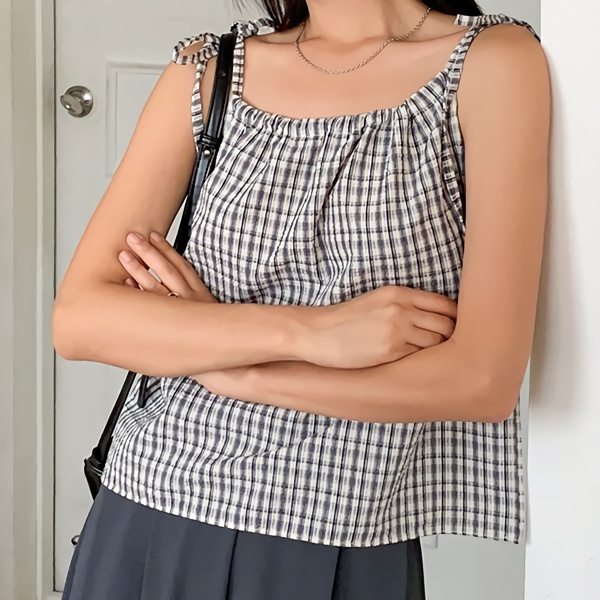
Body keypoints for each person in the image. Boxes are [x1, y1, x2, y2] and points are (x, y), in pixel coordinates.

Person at [53, 0, 550, 598]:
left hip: (339, 531)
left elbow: (482, 381)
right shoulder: (209, 70)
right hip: (150, 505)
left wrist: (235, 374)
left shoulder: (491, 65)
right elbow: (79, 320)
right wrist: (312, 333)